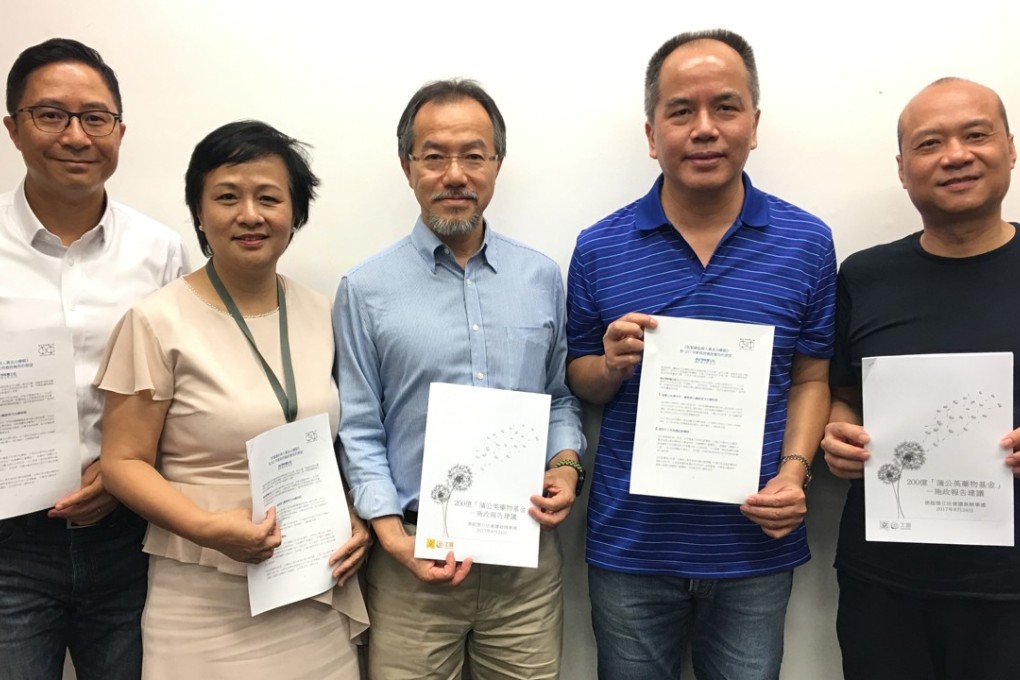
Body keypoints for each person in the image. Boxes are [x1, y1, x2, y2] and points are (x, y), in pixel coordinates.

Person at [566, 29, 836, 679]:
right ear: (653, 133)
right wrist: (608, 365)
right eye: (681, 110)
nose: (705, 128)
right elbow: (578, 378)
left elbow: (811, 377)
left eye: (726, 106)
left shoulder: (807, 242)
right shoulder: (600, 245)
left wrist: (794, 476)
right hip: (633, 547)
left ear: (754, 123)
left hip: (754, 548)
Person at [96, 120, 369, 680]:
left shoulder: (324, 312)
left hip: (313, 586)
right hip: (202, 596)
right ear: (199, 213)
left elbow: (334, 439)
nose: (250, 214)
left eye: (269, 197)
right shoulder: (155, 320)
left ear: (295, 214)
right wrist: (205, 527)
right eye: (227, 197)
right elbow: (122, 463)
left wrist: (353, 517)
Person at [336, 78, 585, 679]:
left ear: (497, 164)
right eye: (434, 156)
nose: (455, 174)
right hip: (410, 560)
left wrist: (566, 464)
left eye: (474, 155)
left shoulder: (540, 277)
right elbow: (359, 427)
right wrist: (393, 538)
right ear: (407, 166)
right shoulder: (365, 290)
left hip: (523, 560)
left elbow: (558, 398)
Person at [0, 38, 188, 680]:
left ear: (120, 130)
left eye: (95, 118)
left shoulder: (160, 252)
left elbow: (183, 387)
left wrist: (120, 473)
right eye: (50, 115)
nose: (76, 136)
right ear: (12, 129)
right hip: (10, 543)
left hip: (128, 535)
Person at [820, 77, 1020, 680]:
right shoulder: (865, 275)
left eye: (976, 134)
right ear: (904, 170)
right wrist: (839, 435)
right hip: (885, 583)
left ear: (1011, 148)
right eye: (930, 143)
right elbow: (841, 395)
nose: (955, 155)